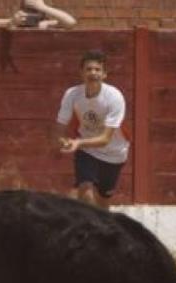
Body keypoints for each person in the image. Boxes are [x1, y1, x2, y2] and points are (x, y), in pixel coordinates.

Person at [54, 49, 129, 209]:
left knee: (103, 202)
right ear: (81, 73)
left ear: (104, 74)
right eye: (88, 69)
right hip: (87, 151)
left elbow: (105, 139)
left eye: (97, 69)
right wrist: (61, 140)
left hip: (114, 153)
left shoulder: (114, 97)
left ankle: (101, 230)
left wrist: (77, 143)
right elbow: (60, 126)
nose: (93, 73)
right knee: (85, 191)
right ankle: (87, 230)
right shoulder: (72, 94)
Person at [0, 0, 75, 30]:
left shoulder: (45, 24)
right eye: (28, 10)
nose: (31, 15)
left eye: (35, 10)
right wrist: (10, 22)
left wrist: (43, 7)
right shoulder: (14, 22)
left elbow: (70, 22)